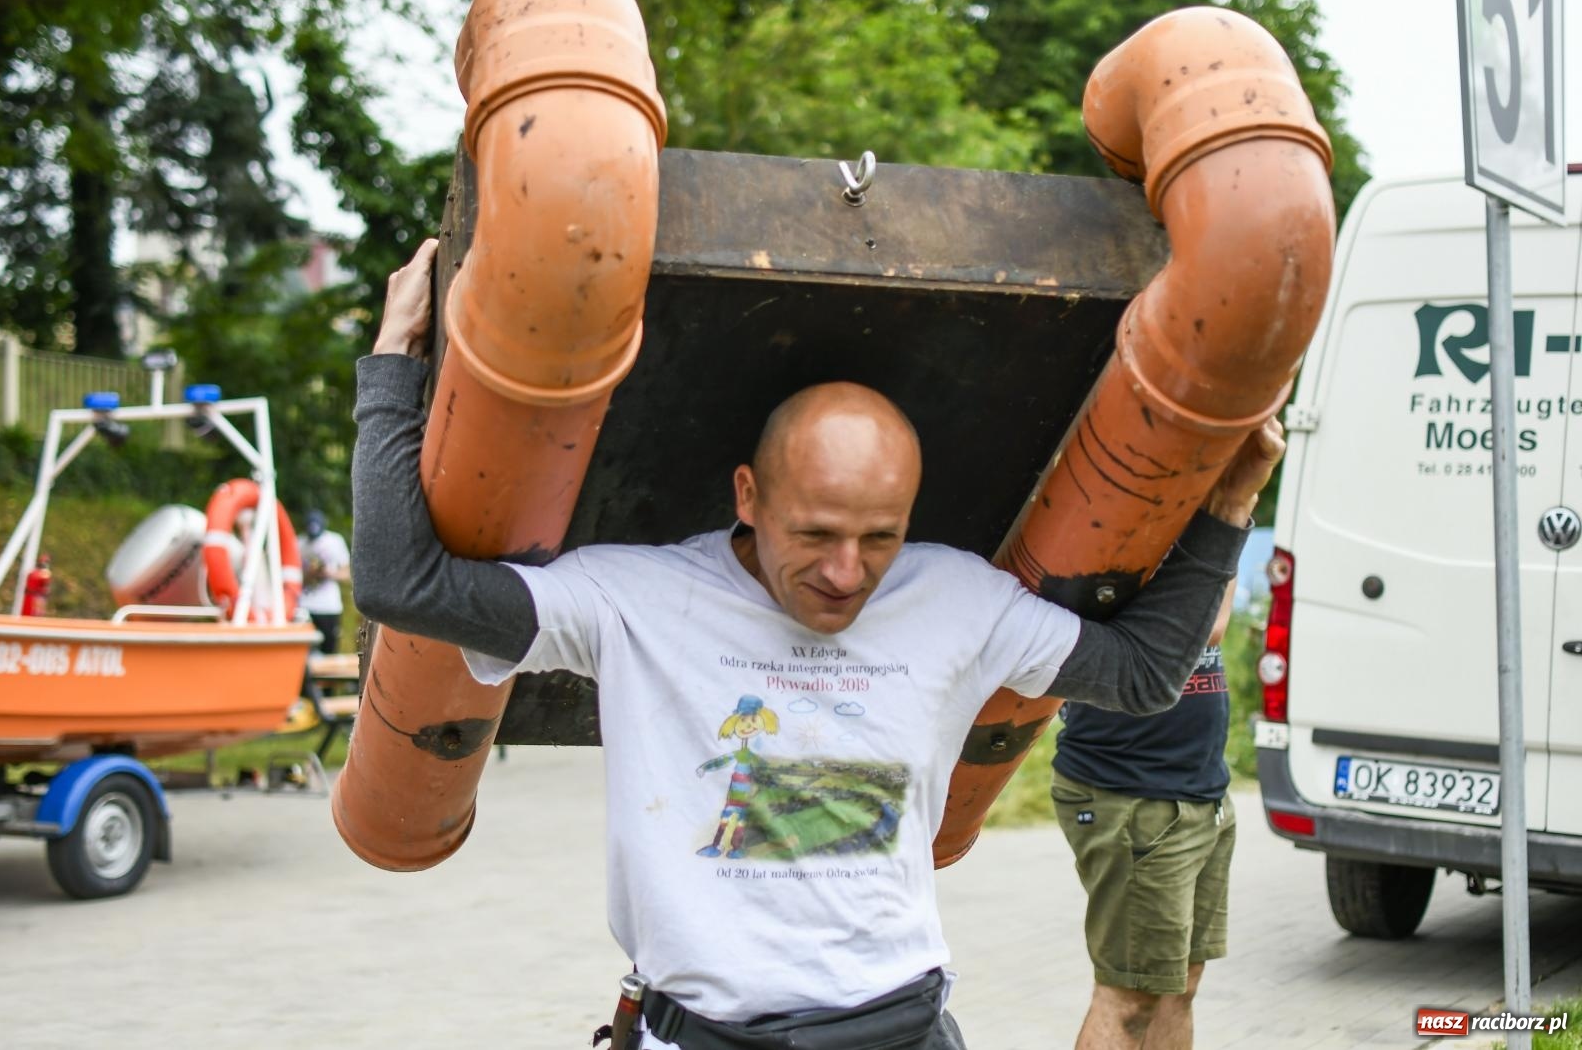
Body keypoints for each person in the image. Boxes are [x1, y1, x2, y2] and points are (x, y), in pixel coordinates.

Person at [349, 239, 1282, 1050]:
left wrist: (1230, 504)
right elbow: (403, 583)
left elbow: (1145, 672)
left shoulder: (957, 597)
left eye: (879, 538)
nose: (846, 571)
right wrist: (394, 362)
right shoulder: (635, 597)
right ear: (748, 496)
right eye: (816, 534)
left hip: (901, 1030)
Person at [1052, 571, 1253, 1050]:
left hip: (1201, 785)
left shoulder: (1206, 528)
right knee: (1129, 997)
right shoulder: (1131, 523)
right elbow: (1206, 625)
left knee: (1180, 984)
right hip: (1134, 791)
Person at [297, 508, 351, 654]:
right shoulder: (299, 543)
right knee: (304, 652)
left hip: (329, 607)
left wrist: (329, 573)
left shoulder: (334, 541)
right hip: (305, 606)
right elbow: (293, 579)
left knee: (329, 650)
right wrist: (310, 574)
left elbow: (347, 573)